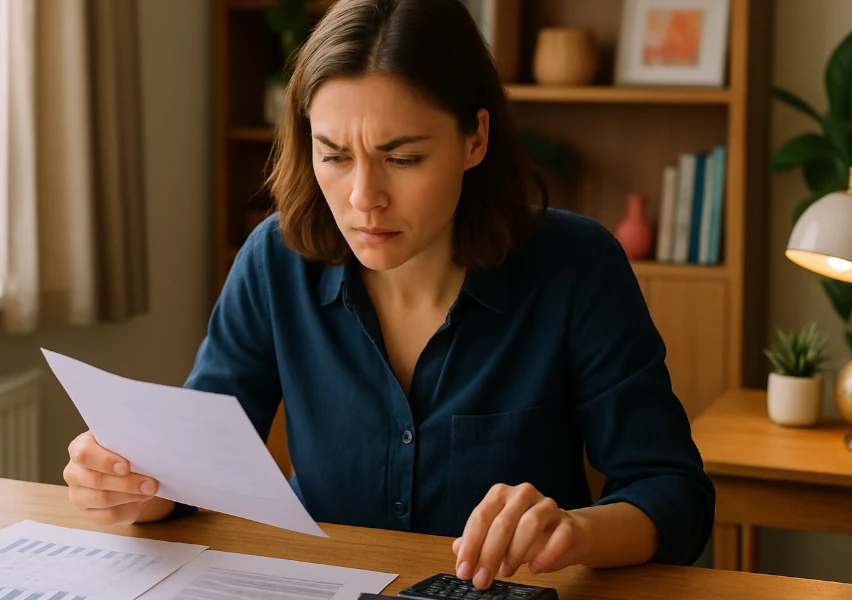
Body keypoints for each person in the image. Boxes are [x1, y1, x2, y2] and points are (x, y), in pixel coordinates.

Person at [62, 0, 715, 590]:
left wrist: (576, 531)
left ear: (475, 139)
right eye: (334, 155)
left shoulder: (576, 267)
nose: (362, 197)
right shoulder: (274, 261)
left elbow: (674, 493)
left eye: (401, 158)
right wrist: (140, 486)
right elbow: (196, 463)